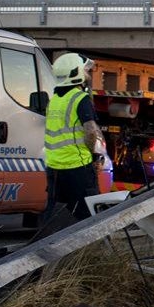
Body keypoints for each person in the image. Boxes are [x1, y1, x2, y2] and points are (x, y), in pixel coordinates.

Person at [44, 53, 106, 221]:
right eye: (86, 70)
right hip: (78, 167)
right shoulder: (80, 98)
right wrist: (93, 155)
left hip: (54, 167)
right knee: (86, 215)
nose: (88, 74)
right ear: (76, 73)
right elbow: (91, 131)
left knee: (56, 214)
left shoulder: (54, 100)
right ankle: (89, 248)